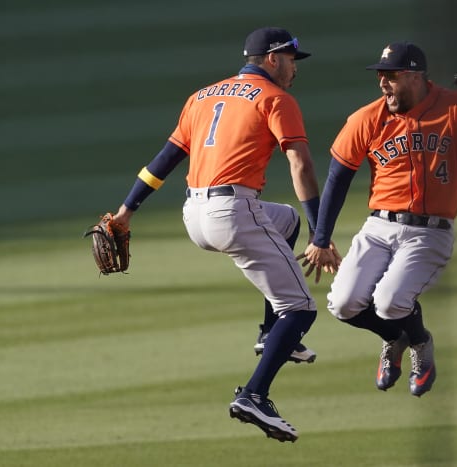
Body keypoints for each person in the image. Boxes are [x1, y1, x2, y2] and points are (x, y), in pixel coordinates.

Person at [107, 27, 339, 442]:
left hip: (194, 214)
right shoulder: (276, 99)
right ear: (271, 59)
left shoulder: (202, 96)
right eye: (290, 59)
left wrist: (127, 210)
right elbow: (300, 165)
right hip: (233, 211)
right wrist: (322, 233)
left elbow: (167, 158)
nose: (293, 69)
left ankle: (270, 332)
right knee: (302, 310)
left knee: (285, 220)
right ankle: (254, 395)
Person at [302, 41, 457, 397]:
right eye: (380, 76)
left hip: (429, 232)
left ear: (416, 77)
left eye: (390, 76)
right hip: (378, 227)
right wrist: (321, 236)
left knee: (389, 302)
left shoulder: (455, 107)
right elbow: (338, 176)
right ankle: (396, 339)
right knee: (342, 303)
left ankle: (420, 345)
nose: (382, 84)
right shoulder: (367, 119)